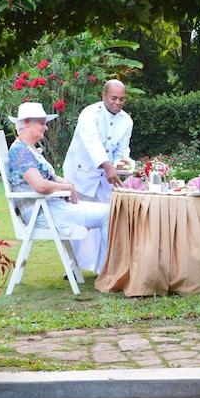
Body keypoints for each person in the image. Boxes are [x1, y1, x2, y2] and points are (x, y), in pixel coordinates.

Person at [6, 102, 109, 266]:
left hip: (52, 208)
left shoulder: (28, 149)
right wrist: (67, 187)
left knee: (109, 210)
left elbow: (51, 177)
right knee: (108, 214)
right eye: (41, 123)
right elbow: (39, 185)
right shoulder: (20, 152)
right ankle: (111, 272)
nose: (46, 127)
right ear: (26, 123)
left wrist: (68, 184)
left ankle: (111, 269)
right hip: (43, 213)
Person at [61, 79, 133, 272]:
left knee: (108, 219)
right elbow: (91, 143)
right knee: (77, 221)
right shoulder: (89, 114)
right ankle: (72, 269)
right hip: (80, 174)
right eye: (114, 98)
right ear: (103, 97)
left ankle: (103, 267)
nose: (118, 102)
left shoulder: (126, 120)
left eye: (122, 99)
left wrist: (122, 164)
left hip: (105, 179)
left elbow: (122, 149)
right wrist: (109, 167)